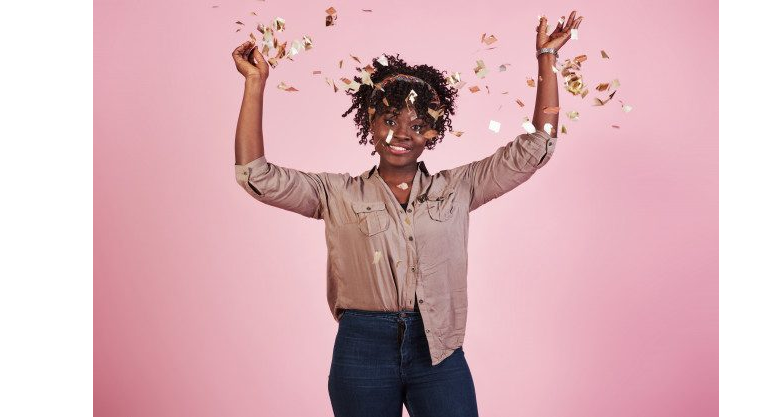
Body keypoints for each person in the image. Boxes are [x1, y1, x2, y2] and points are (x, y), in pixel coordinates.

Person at [230, 10, 582, 417]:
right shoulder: (335, 193)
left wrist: (545, 58)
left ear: (433, 132)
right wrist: (255, 84)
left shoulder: (459, 188)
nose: (403, 133)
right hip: (362, 347)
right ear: (371, 122)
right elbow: (255, 176)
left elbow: (537, 147)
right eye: (390, 120)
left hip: (438, 348)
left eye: (418, 124)